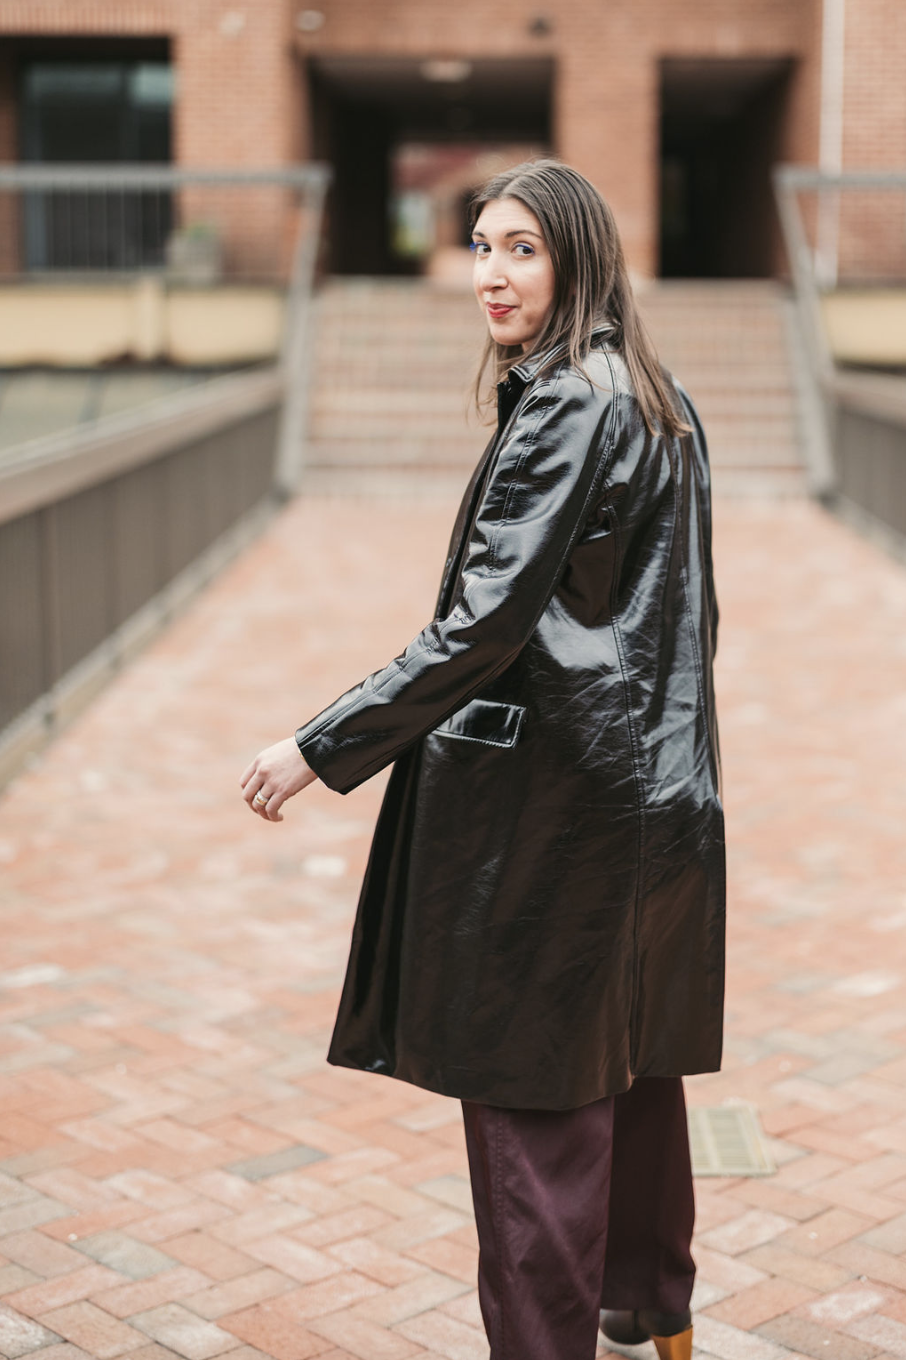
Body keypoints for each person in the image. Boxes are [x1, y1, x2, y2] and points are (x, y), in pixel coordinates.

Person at [241, 158, 725, 1360]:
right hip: (658, 791)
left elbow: (478, 630)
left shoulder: (568, 404)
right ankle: (654, 1308)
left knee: (531, 1100)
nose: (491, 275)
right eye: (481, 245)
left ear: (576, 257)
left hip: (560, 804)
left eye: (522, 248)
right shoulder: (656, 392)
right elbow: (693, 615)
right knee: (630, 1058)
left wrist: (318, 746)